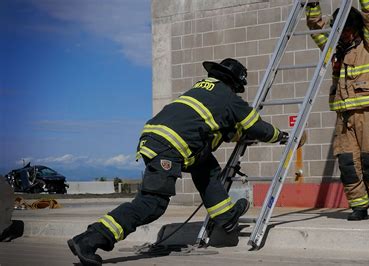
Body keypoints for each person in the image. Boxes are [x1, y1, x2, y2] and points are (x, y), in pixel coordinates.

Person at [68, 58, 289, 265]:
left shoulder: (201, 90)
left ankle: (226, 216)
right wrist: (281, 136)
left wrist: (238, 134)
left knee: (206, 166)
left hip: (157, 138)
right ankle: (90, 239)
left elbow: (215, 129)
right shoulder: (230, 98)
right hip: (168, 147)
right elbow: (257, 127)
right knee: (151, 204)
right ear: (234, 83)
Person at [306, 0, 369, 221]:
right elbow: (317, 29)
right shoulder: (335, 50)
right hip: (344, 118)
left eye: (347, 30)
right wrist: (312, 5)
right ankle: (359, 206)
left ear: (355, 29)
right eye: (340, 31)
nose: (343, 35)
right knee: (347, 163)